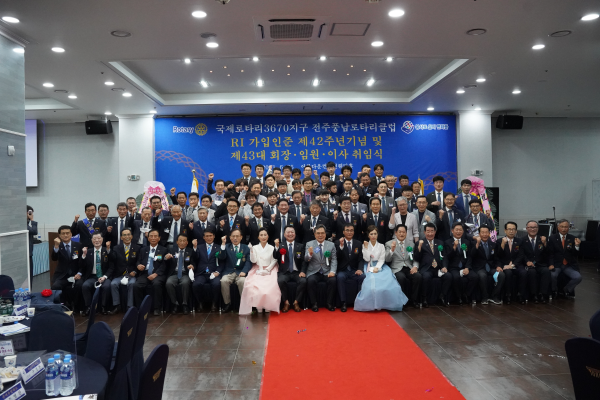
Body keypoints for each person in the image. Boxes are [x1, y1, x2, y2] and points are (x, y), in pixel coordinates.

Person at [354, 225, 408, 311]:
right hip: (368, 265)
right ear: (368, 235)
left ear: (377, 235)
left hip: (380, 266)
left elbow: (382, 259)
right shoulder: (365, 245)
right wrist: (366, 248)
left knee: (391, 283)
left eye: (375, 234)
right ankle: (371, 304)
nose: (373, 236)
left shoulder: (381, 246)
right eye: (371, 234)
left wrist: (377, 267)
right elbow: (367, 259)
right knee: (371, 284)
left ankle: (387, 304)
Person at [239, 228, 281, 315]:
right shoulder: (254, 247)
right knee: (253, 285)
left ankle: (268, 306)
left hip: (270, 269)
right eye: (261, 235)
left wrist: (267, 269)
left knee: (270, 287)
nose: (263, 237)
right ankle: (259, 306)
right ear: (258, 237)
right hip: (257, 269)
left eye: (265, 235)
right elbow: (253, 260)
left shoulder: (272, 247)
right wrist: (251, 251)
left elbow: (274, 260)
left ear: (268, 236)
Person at [133, 229, 169, 315]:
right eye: (151, 236)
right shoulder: (143, 250)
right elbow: (138, 261)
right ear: (148, 238)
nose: (153, 238)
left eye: (155, 236)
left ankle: (157, 308)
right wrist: (138, 265)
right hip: (145, 273)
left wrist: (156, 274)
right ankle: (140, 308)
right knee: (136, 285)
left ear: (159, 238)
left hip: (158, 274)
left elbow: (164, 265)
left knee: (156, 284)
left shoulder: (164, 250)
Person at [385, 224, 421, 308]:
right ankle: (402, 301)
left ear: (406, 233)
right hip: (397, 268)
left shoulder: (411, 244)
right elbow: (387, 259)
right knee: (401, 278)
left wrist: (415, 267)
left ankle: (414, 300)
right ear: (396, 233)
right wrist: (392, 250)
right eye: (400, 232)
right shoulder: (389, 243)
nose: (401, 234)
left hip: (409, 267)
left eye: (404, 232)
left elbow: (415, 258)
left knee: (418, 276)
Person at [304, 224, 337, 311]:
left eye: (322, 233)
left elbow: (334, 259)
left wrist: (332, 271)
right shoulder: (309, 244)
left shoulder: (331, 245)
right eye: (318, 233)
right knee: (311, 281)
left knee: (333, 280)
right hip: (314, 271)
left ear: (325, 234)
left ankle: (329, 303)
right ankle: (314, 304)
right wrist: (310, 254)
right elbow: (306, 259)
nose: (320, 235)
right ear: (315, 234)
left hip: (327, 271)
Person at [413, 223, 448, 307]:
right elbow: (416, 258)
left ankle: (442, 296)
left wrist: (444, 267)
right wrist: (419, 247)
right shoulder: (419, 243)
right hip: (426, 268)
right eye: (428, 231)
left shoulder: (440, 243)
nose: (430, 233)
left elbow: (444, 257)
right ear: (424, 232)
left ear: (435, 232)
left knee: (448, 276)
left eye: (432, 231)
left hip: (438, 268)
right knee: (426, 277)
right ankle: (424, 298)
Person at [78, 232, 111, 315]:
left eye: (99, 238)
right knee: (85, 286)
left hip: (104, 276)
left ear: (102, 239)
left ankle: (103, 307)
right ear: (91, 240)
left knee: (106, 286)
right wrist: (84, 255)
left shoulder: (107, 251)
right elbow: (81, 266)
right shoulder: (88, 251)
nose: (97, 240)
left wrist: (104, 277)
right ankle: (89, 307)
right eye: (94, 238)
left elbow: (111, 267)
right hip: (92, 276)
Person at [107, 227, 139, 314]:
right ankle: (117, 305)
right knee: (113, 284)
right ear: (121, 237)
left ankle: (129, 306)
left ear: (131, 236)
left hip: (131, 274)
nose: (127, 237)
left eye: (128, 234)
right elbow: (112, 259)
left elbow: (139, 262)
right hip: (120, 274)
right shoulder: (116, 248)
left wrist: (135, 271)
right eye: (124, 235)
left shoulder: (137, 248)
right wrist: (108, 250)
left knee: (132, 284)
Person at [548, 219, 582, 298]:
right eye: (562, 227)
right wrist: (551, 264)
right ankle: (554, 291)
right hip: (556, 264)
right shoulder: (552, 238)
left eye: (566, 227)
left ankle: (566, 290)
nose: (564, 229)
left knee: (578, 277)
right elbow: (550, 253)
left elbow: (575, 254)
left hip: (568, 265)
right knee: (553, 275)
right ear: (558, 227)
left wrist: (577, 246)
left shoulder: (573, 238)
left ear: (569, 227)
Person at [443, 223, 476, 306]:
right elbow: (447, 257)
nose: (458, 232)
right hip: (454, 267)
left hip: (464, 266)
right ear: (452, 231)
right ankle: (458, 297)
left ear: (463, 231)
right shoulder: (447, 242)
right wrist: (454, 247)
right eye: (456, 230)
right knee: (456, 277)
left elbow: (469, 257)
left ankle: (466, 295)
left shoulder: (467, 242)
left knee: (474, 277)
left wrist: (467, 267)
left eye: (460, 230)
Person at [219, 228, 251, 313]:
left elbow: (248, 261)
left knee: (242, 281)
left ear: (241, 237)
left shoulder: (246, 248)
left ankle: (244, 304)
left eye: (237, 236)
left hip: (241, 272)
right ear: (230, 237)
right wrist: (223, 244)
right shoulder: (226, 247)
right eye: (233, 236)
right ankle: (227, 303)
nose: (235, 238)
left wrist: (244, 271)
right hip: (229, 272)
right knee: (223, 281)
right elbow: (221, 257)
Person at [274, 226, 306, 312]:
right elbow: (275, 257)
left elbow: (304, 261)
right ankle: (286, 302)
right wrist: (276, 247)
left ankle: (296, 302)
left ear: (295, 234)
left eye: (292, 232)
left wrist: (303, 271)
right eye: (288, 232)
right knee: (281, 281)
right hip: (284, 272)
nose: (290, 234)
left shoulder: (300, 246)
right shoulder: (281, 245)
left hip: (297, 272)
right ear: (284, 234)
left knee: (303, 281)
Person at [192, 229, 224, 312]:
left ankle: (214, 303)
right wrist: (194, 248)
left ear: (214, 236)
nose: (209, 238)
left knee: (217, 284)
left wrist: (217, 272)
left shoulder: (219, 247)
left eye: (210, 236)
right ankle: (200, 303)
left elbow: (222, 262)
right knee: (196, 284)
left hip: (214, 272)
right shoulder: (199, 247)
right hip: (201, 273)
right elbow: (195, 258)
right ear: (203, 237)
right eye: (207, 236)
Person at [470, 225, 504, 305]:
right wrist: (477, 244)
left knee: (501, 274)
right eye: (482, 232)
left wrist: (498, 266)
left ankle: (494, 296)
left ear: (489, 233)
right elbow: (471, 255)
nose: (485, 234)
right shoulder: (473, 243)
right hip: (479, 268)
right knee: (482, 276)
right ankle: (484, 297)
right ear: (479, 234)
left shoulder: (493, 244)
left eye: (486, 232)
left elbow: (496, 258)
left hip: (491, 267)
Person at [51, 225, 83, 309]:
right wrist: (56, 246)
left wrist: (79, 273)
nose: (65, 235)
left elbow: (82, 262)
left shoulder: (78, 245)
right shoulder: (58, 245)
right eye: (63, 233)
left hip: (76, 274)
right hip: (62, 275)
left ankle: (76, 306)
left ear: (71, 234)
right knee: (55, 286)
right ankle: (61, 305)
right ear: (59, 235)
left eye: (67, 233)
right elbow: (54, 258)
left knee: (80, 285)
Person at [336, 224, 365, 312]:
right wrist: (341, 246)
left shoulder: (358, 243)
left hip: (354, 270)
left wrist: (360, 269)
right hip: (342, 270)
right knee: (340, 277)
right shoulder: (338, 242)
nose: (349, 232)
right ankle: (343, 302)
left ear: (354, 232)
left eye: (351, 230)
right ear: (343, 232)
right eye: (347, 230)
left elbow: (360, 259)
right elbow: (336, 257)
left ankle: (359, 301)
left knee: (362, 277)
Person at [164, 234, 195, 314]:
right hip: (174, 273)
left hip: (185, 273)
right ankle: (175, 304)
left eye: (184, 241)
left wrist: (192, 266)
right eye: (180, 241)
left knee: (185, 283)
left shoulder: (190, 251)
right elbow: (166, 264)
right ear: (177, 242)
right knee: (169, 283)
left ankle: (185, 304)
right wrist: (166, 258)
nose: (182, 242)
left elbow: (194, 263)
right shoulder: (171, 250)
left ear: (187, 242)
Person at [522, 220, 551, 304]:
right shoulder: (522, 240)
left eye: (535, 227)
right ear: (527, 228)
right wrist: (527, 261)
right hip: (528, 264)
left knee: (546, 271)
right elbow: (521, 254)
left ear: (538, 228)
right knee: (532, 272)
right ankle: (534, 294)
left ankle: (543, 294)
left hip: (540, 264)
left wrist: (545, 244)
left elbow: (548, 253)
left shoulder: (542, 239)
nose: (533, 229)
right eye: (531, 227)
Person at [494, 221, 522, 304]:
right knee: (508, 273)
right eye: (509, 229)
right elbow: (497, 256)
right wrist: (503, 244)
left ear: (516, 231)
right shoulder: (499, 241)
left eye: (513, 229)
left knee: (523, 272)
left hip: (516, 265)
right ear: (505, 230)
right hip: (504, 265)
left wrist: (513, 265)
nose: (511, 231)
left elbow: (520, 255)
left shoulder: (519, 241)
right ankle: (508, 295)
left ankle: (521, 295)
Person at [27, 206, 37, 277]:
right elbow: (34, 231)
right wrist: (32, 220)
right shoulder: (22, 224)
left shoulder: (27, 223)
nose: (31, 215)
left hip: (29, 252)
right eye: (30, 213)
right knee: (29, 274)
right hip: (27, 253)